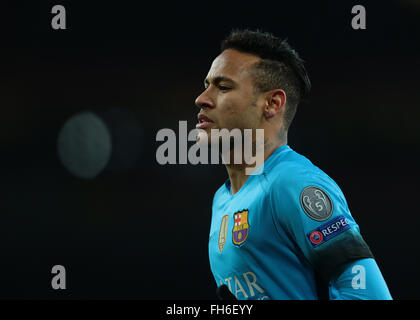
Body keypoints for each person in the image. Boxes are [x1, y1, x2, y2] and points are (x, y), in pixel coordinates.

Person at [194, 29, 392, 300]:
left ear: (272, 104)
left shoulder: (292, 183)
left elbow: (371, 296)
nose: (202, 98)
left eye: (223, 87)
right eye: (206, 84)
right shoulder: (222, 198)